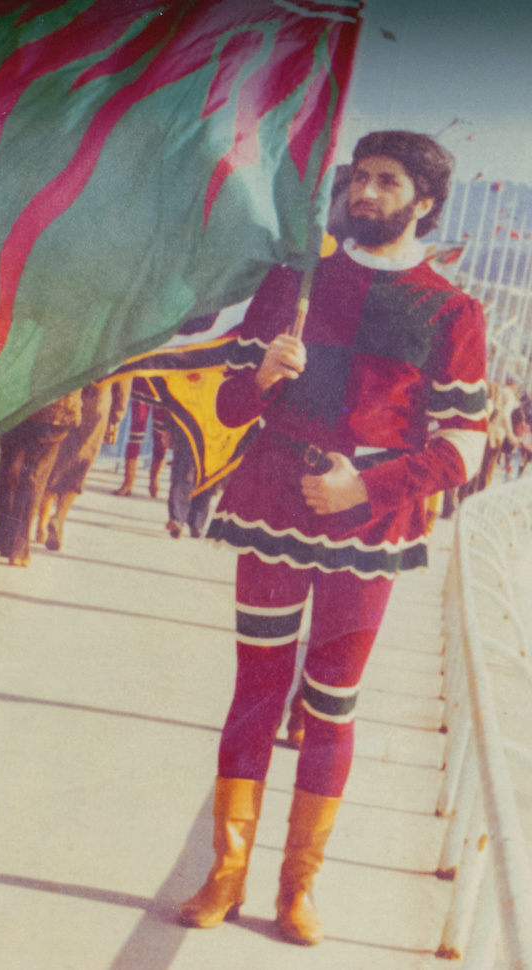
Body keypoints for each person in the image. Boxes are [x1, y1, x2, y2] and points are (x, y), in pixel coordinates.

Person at [179, 131, 487, 945]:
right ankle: (226, 872)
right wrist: (262, 379)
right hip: (272, 506)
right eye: (359, 178)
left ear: (423, 201)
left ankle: (297, 886)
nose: (365, 192)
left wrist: (367, 486)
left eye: (387, 182)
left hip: (371, 526)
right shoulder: (295, 284)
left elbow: (465, 444)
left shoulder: (453, 311)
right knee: (256, 689)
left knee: (332, 704)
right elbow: (229, 410)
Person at [0, 391, 82, 567]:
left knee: (10, 468)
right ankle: (18, 548)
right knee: (34, 477)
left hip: (17, 402)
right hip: (56, 411)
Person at [36, 379, 125, 551]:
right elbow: (125, 376)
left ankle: (42, 524)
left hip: (69, 394)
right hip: (98, 400)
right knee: (81, 464)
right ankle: (59, 517)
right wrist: (116, 417)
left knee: (56, 459)